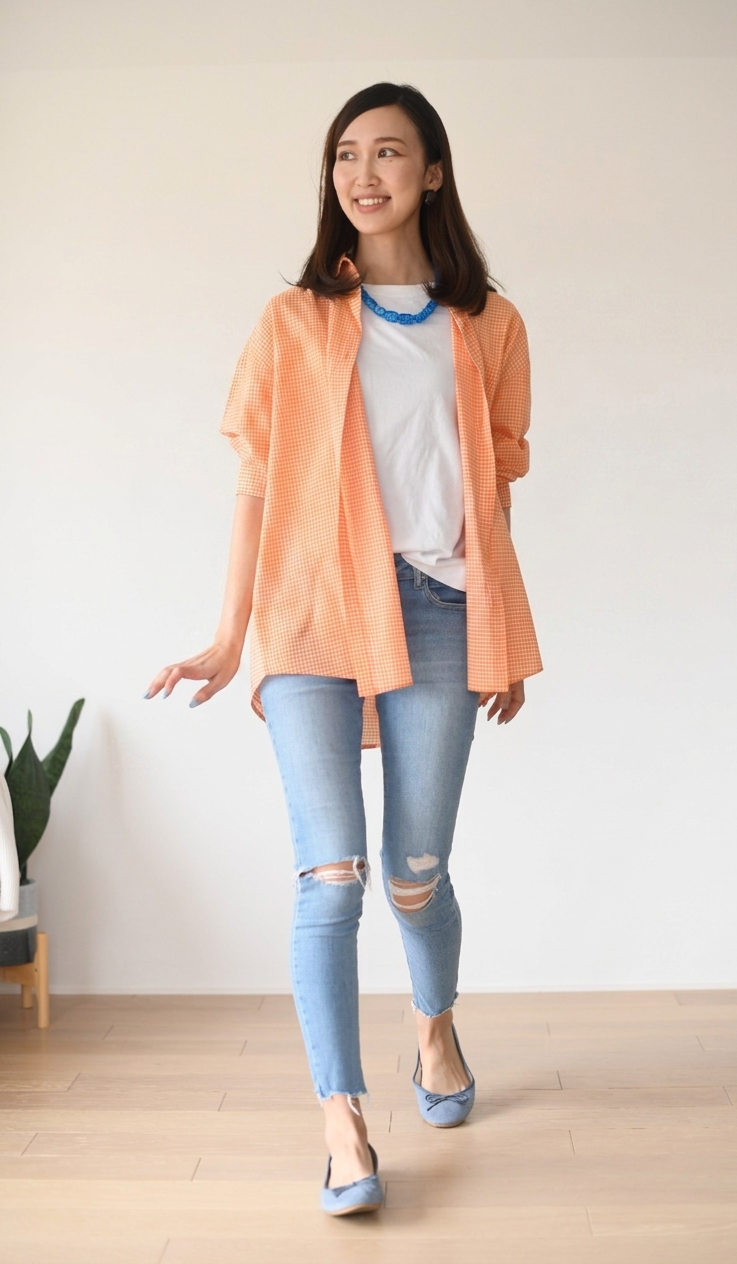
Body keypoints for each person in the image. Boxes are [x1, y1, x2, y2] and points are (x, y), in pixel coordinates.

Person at [146, 81, 541, 1216]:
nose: (362, 174)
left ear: (432, 173)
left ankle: (433, 1031)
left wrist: (498, 631)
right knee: (332, 876)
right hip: (312, 607)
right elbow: (257, 485)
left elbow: (493, 498)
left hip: (436, 608)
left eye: (388, 153)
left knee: (414, 873)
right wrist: (230, 638)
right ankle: (341, 1118)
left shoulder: (489, 325)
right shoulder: (294, 323)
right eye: (345, 156)